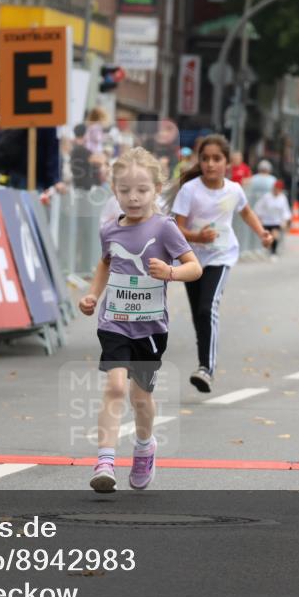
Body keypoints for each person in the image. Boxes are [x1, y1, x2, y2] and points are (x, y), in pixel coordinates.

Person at [78, 146, 202, 493]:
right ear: (114, 190)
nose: (133, 198)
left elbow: (196, 267)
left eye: (142, 190)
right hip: (114, 321)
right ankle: (105, 459)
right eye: (125, 190)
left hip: (149, 328)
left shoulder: (164, 228)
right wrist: (93, 295)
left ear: (157, 189)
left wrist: (172, 272)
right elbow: (106, 262)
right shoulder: (109, 229)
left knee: (140, 397)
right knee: (115, 387)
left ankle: (145, 447)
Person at [170, 134, 273, 393]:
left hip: (221, 256)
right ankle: (204, 363)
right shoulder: (189, 190)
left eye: (217, 159)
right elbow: (176, 228)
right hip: (192, 259)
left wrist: (262, 233)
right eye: (205, 159)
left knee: (208, 308)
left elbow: (246, 212)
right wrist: (197, 237)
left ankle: (207, 368)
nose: (210, 164)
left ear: (227, 162)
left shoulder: (234, 190)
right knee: (198, 315)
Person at [253, 179, 292, 260]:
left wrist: (285, 220)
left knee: (275, 235)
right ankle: (267, 250)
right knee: (267, 237)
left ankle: (274, 252)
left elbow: (285, 210)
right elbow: (259, 207)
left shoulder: (282, 198)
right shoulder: (266, 196)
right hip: (266, 220)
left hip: (276, 221)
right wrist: (259, 217)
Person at [70, 123, 102, 190]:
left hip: (82, 187)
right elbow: (99, 161)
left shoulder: (77, 149)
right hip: (86, 189)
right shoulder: (81, 150)